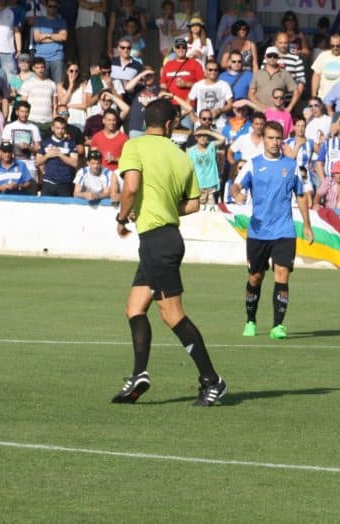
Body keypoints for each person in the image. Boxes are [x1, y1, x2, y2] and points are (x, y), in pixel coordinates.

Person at [110, 100, 227, 407]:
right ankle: (139, 374)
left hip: (157, 242)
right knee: (134, 308)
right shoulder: (181, 156)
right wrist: (160, 208)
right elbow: (193, 203)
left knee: (172, 314)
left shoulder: (134, 146)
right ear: (171, 123)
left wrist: (122, 217)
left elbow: (131, 187)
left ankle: (212, 381)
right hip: (163, 238)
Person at [232, 121, 312, 338]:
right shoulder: (253, 164)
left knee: (282, 274)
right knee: (255, 277)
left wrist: (306, 225)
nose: (275, 142)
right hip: (258, 232)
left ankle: (278, 326)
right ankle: (250, 321)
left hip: (284, 231)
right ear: (264, 139)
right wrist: (237, 193)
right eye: (270, 138)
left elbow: (301, 195)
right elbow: (236, 185)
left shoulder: (291, 165)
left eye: (278, 138)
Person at [36, 117, 78, 196]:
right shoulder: (45, 142)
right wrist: (48, 155)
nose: (60, 131)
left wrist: (60, 154)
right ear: (52, 128)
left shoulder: (71, 143)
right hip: (48, 183)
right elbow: (37, 162)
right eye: (57, 128)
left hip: (65, 183)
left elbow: (75, 163)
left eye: (62, 128)